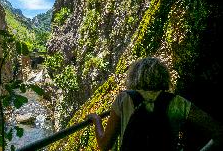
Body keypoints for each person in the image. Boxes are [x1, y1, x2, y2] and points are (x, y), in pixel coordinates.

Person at [87, 57, 223, 151]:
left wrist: (97, 120)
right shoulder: (178, 102)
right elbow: (218, 132)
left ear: (134, 76)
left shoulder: (124, 98)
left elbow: (105, 145)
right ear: (164, 76)